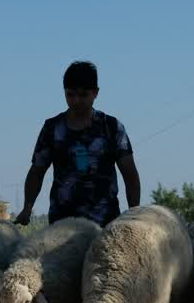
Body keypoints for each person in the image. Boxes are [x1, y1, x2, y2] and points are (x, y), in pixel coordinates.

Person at [15, 61, 140, 227]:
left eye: (83, 95)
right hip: (62, 226)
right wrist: (27, 208)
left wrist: (134, 214)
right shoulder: (52, 128)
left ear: (95, 93)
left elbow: (130, 174)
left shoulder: (112, 128)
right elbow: (37, 172)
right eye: (70, 94)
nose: (76, 100)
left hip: (104, 224)